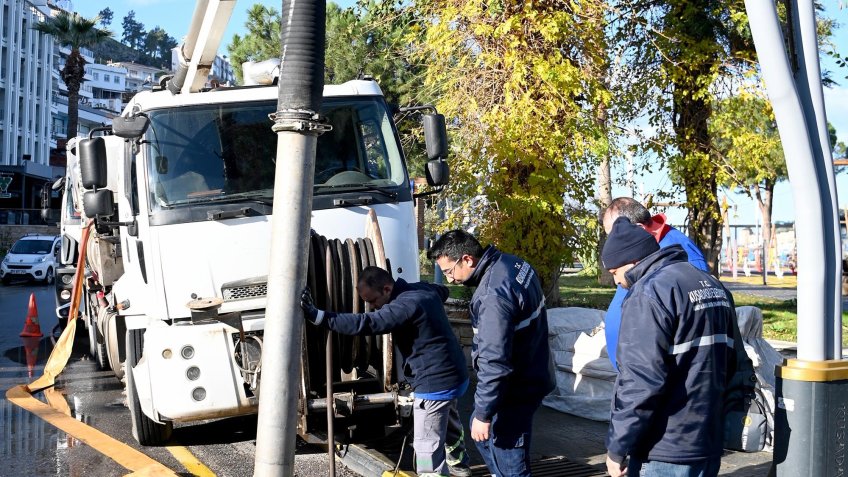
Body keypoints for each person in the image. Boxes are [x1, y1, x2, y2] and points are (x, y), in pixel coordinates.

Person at [601, 217, 740, 477]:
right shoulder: (712, 285)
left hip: (665, 448)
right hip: (708, 441)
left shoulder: (648, 293)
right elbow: (736, 364)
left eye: (615, 272)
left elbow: (641, 381)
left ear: (632, 261)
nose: (616, 281)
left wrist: (618, 446)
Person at [300, 266, 471, 477]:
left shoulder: (405, 305)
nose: (371, 307)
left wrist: (318, 316)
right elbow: (442, 290)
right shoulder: (423, 290)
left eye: (372, 301)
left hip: (433, 384)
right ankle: (460, 468)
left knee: (426, 446)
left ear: (387, 288)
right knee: (450, 424)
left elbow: (367, 323)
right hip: (455, 376)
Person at [427, 230, 555, 477]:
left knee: (506, 448)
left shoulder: (492, 295)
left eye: (449, 272)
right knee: (484, 436)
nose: (451, 280)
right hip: (533, 370)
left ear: (467, 259)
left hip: (515, 387)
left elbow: (494, 360)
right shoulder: (513, 263)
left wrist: (485, 413)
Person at [602, 197, 709, 370]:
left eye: (613, 235)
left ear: (639, 228)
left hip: (658, 373)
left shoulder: (680, 248)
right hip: (634, 369)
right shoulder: (633, 255)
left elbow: (699, 312)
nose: (611, 242)